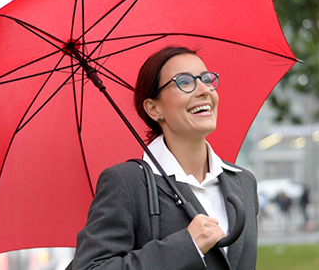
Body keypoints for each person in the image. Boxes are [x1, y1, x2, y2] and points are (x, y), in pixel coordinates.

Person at [71, 46, 259, 269]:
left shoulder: (244, 182)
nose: (203, 90)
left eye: (206, 79)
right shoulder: (127, 184)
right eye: (185, 82)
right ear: (153, 108)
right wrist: (186, 246)